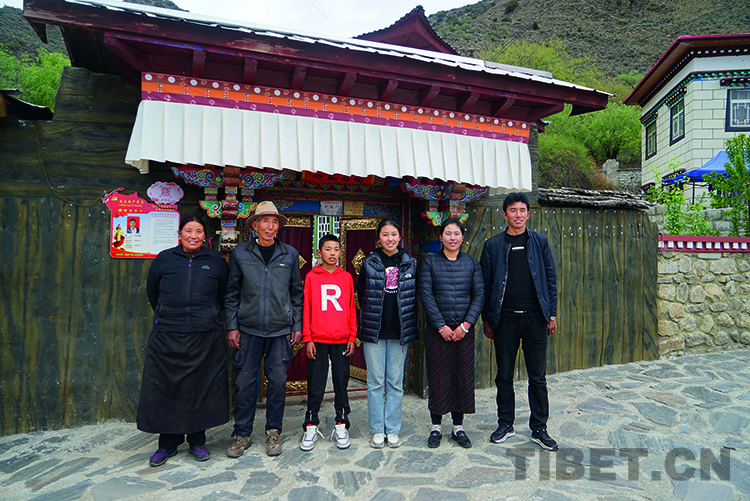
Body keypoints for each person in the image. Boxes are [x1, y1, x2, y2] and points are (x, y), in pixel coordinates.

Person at [138, 214, 230, 467]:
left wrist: (208, 316)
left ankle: (197, 441)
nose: (193, 236)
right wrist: (169, 316)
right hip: (168, 334)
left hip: (205, 335)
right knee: (167, 386)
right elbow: (153, 293)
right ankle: (167, 443)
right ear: (179, 234)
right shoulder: (164, 259)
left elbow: (223, 295)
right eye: (188, 230)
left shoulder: (216, 261)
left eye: (199, 231)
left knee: (201, 386)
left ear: (205, 236)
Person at [480, 192, 559, 451]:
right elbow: (485, 285)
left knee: (538, 377)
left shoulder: (539, 242)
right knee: (504, 375)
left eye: (522, 210)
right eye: (513, 210)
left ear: (528, 214)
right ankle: (505, 424)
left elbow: (550, 280)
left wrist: (551, 314)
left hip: (536, 318)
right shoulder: (493, 245)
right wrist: (487, 318)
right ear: (504, 214)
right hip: (504, 320)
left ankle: (539, 428)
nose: (518, 215)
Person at [224, 201, 303, 457]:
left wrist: (296, 324)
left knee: (278, 382)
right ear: (255, 225)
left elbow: (296, 293)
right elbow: (232, 292)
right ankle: (242, 433)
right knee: (245, 383)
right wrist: (232, 326)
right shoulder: (240, 253)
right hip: (248, 329)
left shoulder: (289, 254)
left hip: (280, 330)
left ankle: (273, 431)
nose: (270, 226)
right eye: (265, 221)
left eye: (274, 221)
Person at [419, 218, 484, 449]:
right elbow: (426, 295)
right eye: (448, 233)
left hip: (463, 332)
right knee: (438, 376)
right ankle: (436, 426)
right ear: (440, 237)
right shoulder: (429, 263)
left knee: (461, 377)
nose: (452, 238)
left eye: (456, 233)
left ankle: (458, 427)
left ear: (462, 237)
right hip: (438, 332)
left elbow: (479, 295)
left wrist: (466, 325)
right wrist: (440, 326)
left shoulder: (472, 263)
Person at [358, 219, 418, 449]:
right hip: (374, 329)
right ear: (378, 238)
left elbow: (415, 296)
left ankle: (392, 429)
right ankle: (377, 429)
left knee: (395, 382)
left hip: (399, 331)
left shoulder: (410, 263)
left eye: (394, 234)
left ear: (400, 237)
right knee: (375, 382)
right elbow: (361, 293)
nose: (390, 238)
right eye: (385, 234)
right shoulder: (369, 263)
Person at [300, 234, 357, 451]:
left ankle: (341, 423)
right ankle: (311, 424)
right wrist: (307, 338)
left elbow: (351, 308)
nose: (332, 253)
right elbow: (307, 309)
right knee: (316, 383)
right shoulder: (311, 277)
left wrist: (352, 336)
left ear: (341, 252)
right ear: (319, 252)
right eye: (327, 249)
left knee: (341, 382)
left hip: (341, 339)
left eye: (336, 249)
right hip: (318, 339)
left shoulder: (346, 277)